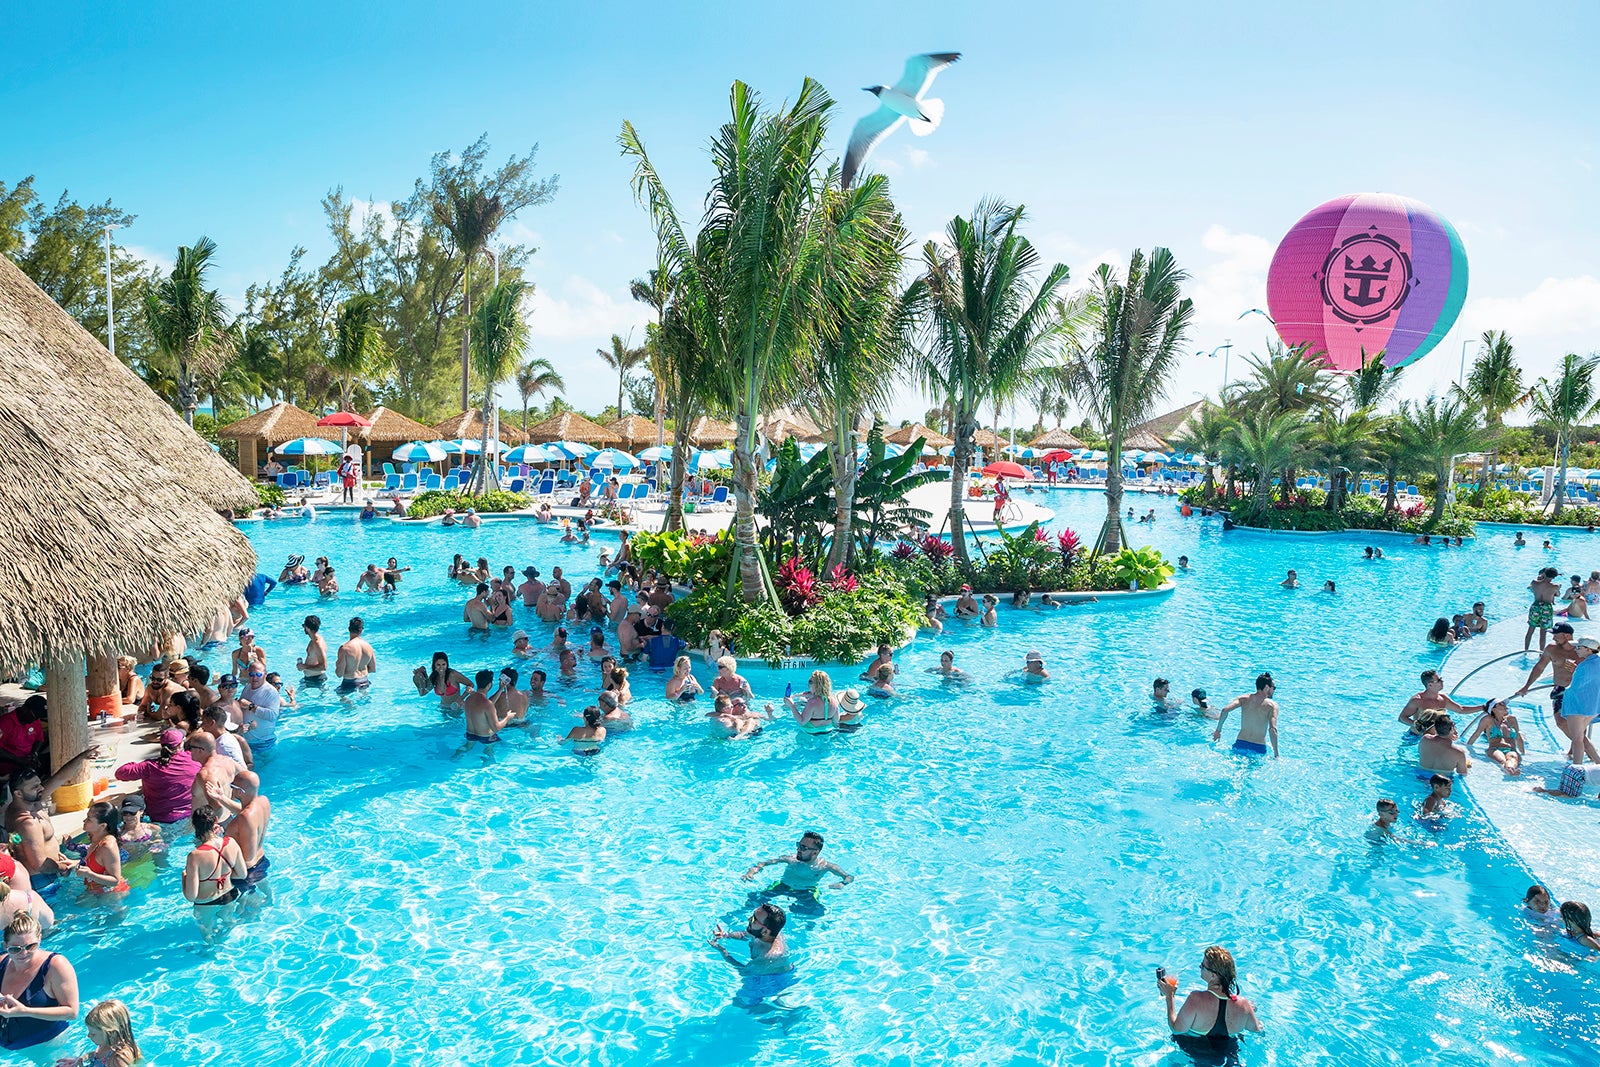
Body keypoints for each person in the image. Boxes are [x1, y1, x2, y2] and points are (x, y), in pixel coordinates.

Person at [6, 746, 98, 881]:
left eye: (39, 784)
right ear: (18, 793)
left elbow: (60, 778)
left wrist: (82, 757)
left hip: (50, 872)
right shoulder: (27, 822)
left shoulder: (33, 802)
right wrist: (65, 867)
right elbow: (39, 865)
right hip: (42, 880)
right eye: (34, 787)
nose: (41, 788)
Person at [1516, 625, 1600, 763]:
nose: (1553, 637)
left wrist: (1576, 670)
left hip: (1581, 693)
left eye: (1556, 634)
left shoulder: (1584, 653)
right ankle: (1585, 752)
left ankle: (1582, 754)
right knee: (1562, 722)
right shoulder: (1552, 648)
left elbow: (1591, 676)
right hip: (1561, 689)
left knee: (1578, 728)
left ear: (1567, 636)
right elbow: (1540, 667)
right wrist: (1526, 686)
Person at [1156, 945, 1263, 1052]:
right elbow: (1258, 1030)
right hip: (1229, 1053)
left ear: (1213, 975)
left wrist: (1170, 997)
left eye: (1203, 965)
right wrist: (1247, 1011)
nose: (1199, 967)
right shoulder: (1244, 1005)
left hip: (1196, 1054)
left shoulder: (1196, 999)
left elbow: (1176, 1029)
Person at [0, 912, 78, 1051]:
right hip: (7, 1045)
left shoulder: (55, 966)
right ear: (5, 945)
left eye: (30, 946)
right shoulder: (2, 963)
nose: (23, 954)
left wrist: (26, 1011)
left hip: (45, 1044)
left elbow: (71, 1012)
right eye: (15, 949)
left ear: (40, 939)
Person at [112, 728, 199, 831]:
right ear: (181, 744)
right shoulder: (195, 759)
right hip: (188, 816)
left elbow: (120, 773)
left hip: (157, 819)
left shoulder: (149, 766)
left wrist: (136, 765)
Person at [183, 806, 248, 920]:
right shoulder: (231, 842)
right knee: (230, 923)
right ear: (216, 820)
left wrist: (184, 877)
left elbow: (191, 896)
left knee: (207, 935)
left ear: (194, 825)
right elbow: (243, 875)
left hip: (206, 903)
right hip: (230, 895)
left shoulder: (195, 856)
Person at [742, 831, 854, 895]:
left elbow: (849, 877)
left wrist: (842, 884)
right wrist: (751, 872)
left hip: (807, 890)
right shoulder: (791, 859)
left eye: (803, 848)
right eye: (798, 845)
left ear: (815, 853)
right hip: (783, 885)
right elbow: (763, 863)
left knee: (815, 914)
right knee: (755, 898)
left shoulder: (824, 866)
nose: (798, 850)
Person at [710, 903, 793, 980]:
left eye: (754, 919)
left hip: (774, 979)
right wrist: (726, 935)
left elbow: (744, 971)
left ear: (765, 932)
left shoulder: (767, 957)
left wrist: (723, 952)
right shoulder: (764, 932)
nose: (749, 919)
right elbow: (743, 934)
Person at [1212, 673, 1279, 758]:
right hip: (1258, 747)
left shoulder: (1244, 699)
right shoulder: (1272, 706)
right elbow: (1273, 729)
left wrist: (1218, 731)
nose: (1274, 691)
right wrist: (1276, 754)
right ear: (1267, 687)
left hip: (1240, 744)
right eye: (1274, 688)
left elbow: (1225, 710)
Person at [59, 998, 141, 1067]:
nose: (88, 1036)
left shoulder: (119, 1059)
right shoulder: (105, 1043)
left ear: (110, 1033)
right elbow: (95, 1055)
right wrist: (80, 1059)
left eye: (93, 1034)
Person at [231, 771, 271, 895]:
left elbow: (247, 856)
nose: (230, 790)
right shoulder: (264, 802)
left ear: (239, 792)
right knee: (265, 891)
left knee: (247, 910)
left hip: (246, 872)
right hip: (261, 861)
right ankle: (269, 899)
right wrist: (220, 798)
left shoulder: (245, 817)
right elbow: (247, 813)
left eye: (232, 787)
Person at [76, 803, 129, 896]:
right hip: (96, 891)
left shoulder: (108, 846)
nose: (84, 821)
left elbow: (115, 880)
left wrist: (89, 874)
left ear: (103, 826)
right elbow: (95, 863)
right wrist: (71, 863)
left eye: (89, 819)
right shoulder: (95, 838)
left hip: (112, 895)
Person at [1399, 670, 1469, 737]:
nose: (1442, 681)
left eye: (1441, 679)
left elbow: (1461, 710)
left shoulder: (1443, 698)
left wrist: (1480, 708)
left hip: (1434, 737)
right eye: (1439, 680)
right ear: (1430, 685)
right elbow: (1402, 718)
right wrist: (1417, 724)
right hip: (1415, 736)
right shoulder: (1417, 700)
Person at [1465, 699, 1525, 775]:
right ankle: (1510, 770)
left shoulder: (1512, 719)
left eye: (1504, 704)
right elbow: (1476, 734)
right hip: (1495, 749)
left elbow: (1518, 737)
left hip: (1511, 749)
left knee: (1513, 756)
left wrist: (1523, 753)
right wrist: (1467, 748)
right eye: (1501, 704)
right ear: (1493, 709)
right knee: (1501, 760)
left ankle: (1511, 769)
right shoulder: (1487, 720)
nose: (1505, 706)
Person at [459, 671, 511, 754]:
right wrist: (508, 717)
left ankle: (456, 756)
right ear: (489, 685)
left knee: (466, 748)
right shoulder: (487, 704)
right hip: (487, 738)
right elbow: (496, 728)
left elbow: (484, 706)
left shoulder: (469, 699)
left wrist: (500, 689)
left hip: (470, 735)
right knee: (495, 750)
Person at [238, 667, 281, 753]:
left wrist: (251, 706)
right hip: (246, 742)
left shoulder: (271, 692)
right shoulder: (247, 688)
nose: (254, 678)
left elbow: (272, 715)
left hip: (264, 743)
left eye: (258, 674)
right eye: (251, 674)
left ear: (265, 675)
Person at [336, 617, 377, 696]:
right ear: (361, 630)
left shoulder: (344, 649)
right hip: (365, 681)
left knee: (341, 697)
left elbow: (339, 674)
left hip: (349, 683)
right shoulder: (368, 646)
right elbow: (373, 669)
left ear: (349, 629)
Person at [1527, 567, 1562, 651]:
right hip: (1546, 608)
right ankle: (1541, 652)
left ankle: (1525, 650)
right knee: (1543, 633)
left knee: (1530, 630)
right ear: (1554, 577)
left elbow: (1531, 588)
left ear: (1544, 573)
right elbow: (1557, 595)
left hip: (1535, 606)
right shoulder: (1555, 586)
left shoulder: (1534, 582)